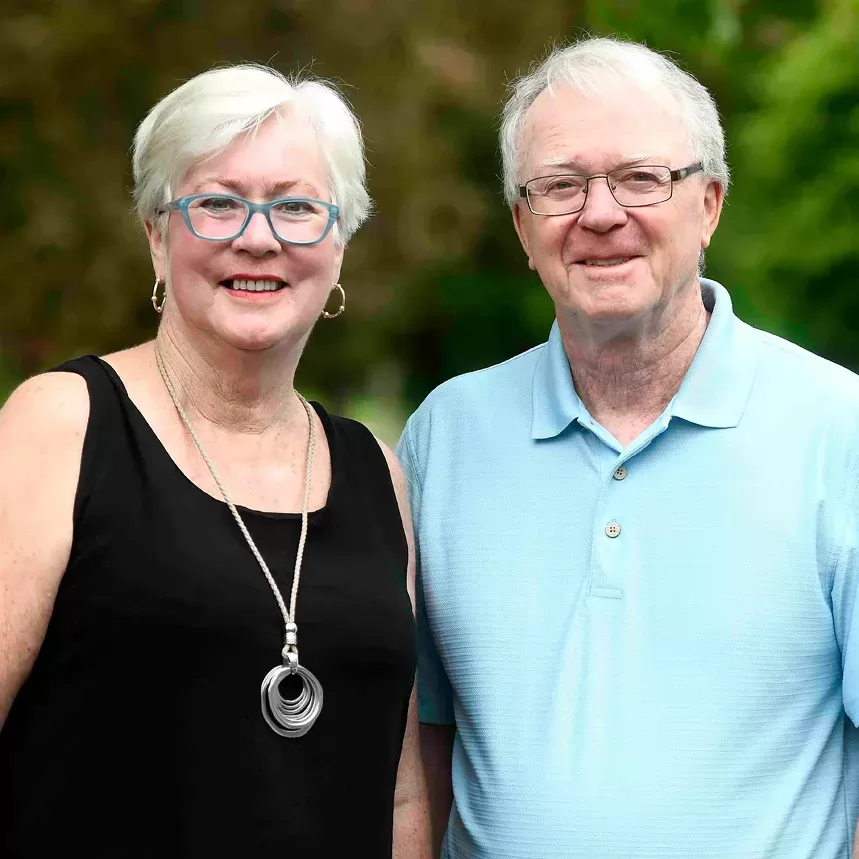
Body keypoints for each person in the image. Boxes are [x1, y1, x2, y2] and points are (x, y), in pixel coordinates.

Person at [399, 36, 859, 858]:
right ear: (520, 223)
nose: (600, 213)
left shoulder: (840, 429)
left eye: (641, 178)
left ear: (709, 203)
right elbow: (419, 740)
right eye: (560, 185)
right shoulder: (446, 435)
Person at [0, 64, 429, 858]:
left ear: (339, 242)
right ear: (157, 236)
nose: (258, 236)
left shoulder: (375, 470)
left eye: (297, 206)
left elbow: (399, 790)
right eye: (217, 203)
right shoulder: (61, 424)